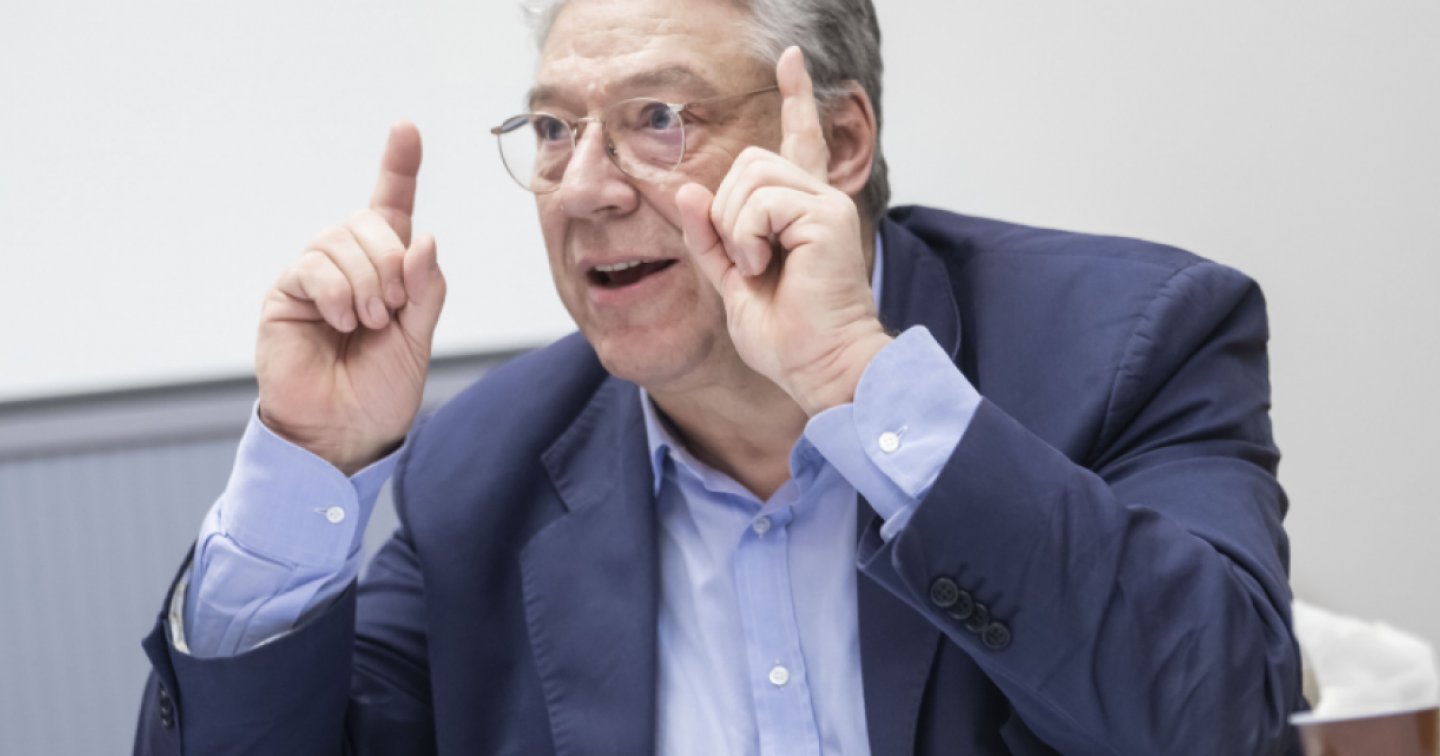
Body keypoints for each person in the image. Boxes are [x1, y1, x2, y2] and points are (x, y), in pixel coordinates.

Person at [134, 0, 1304, 753]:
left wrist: (857, 381)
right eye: (553, 131)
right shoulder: (484, 470)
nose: (586, 189)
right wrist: (306, 462)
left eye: (657, 117)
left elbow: (1217, 721)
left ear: (838, 144)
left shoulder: (1125, 347)